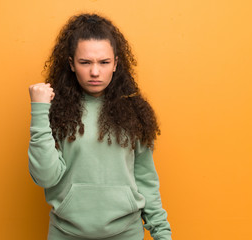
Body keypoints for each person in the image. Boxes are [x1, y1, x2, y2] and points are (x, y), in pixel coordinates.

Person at [28, 13, 172, 240]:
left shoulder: (134, 112)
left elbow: (146, 179)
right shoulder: (55, 110)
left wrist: (162, 233)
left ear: (115, 63)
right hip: (66, 233)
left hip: (126, 233)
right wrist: (39, 111)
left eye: (104, 62)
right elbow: (45, 177)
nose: (95, 72)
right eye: (85, 62)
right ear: (71, 64)